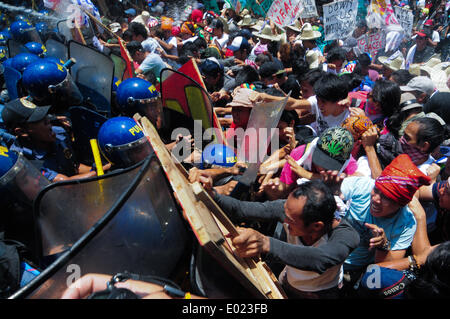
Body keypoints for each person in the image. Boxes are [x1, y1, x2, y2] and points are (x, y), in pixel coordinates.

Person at [198, 177, 360, 299]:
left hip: (318, 294)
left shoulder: (346, 235)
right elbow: (242, 209)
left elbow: (320, 259)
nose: (284, 220)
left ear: (316, 226)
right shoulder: (289, 209)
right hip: (287, 281)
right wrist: (212, 194)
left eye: (291, 221)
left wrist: (267, 244)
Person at [336, 154, 431, 296]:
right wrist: (331, 192)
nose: (375, 199)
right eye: (376, 190)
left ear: (401, 204)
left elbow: (382, 270)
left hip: (352, 272)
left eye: (386, 197)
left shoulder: (406, 223)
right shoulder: (362, 186)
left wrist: (383, 245)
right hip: (327, 254)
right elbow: (330, 197)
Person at [1, 97, 108, 182]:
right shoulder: (24, 161)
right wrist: (100, 172)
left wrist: (97, 169)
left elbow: (75, 167)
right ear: (21, 132)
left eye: (45, 117)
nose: (49, 123)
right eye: (39, 120)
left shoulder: (59, 134)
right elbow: (64, 183)